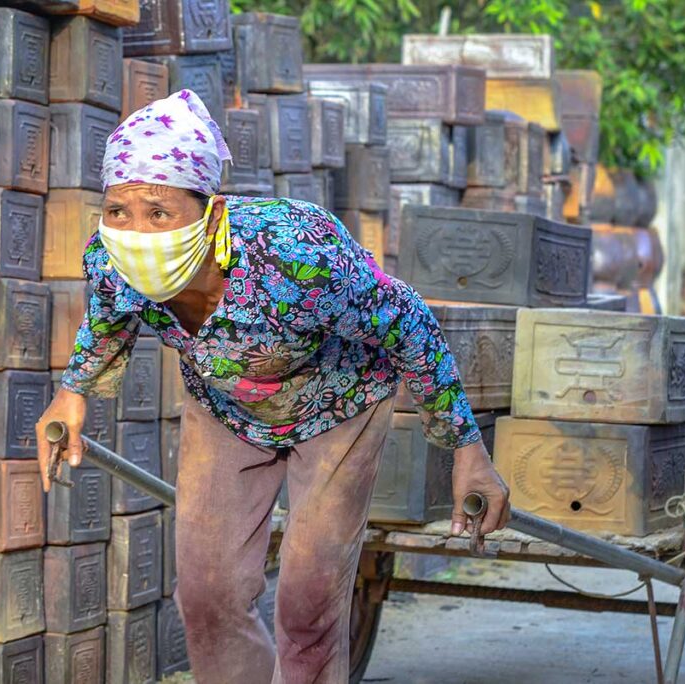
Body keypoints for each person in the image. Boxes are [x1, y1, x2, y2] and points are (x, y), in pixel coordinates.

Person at [35, 90, 510, 683]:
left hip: (340, 404)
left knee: (308, 602)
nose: (135, 233)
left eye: (159, 213)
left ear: (210, 212)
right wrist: (72, 390)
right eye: (117, 211)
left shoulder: (296, 254)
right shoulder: (111, 261)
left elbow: (408, 319)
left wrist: (466, 449)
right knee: (207, 595)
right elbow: (106, 321)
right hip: (227, 408)